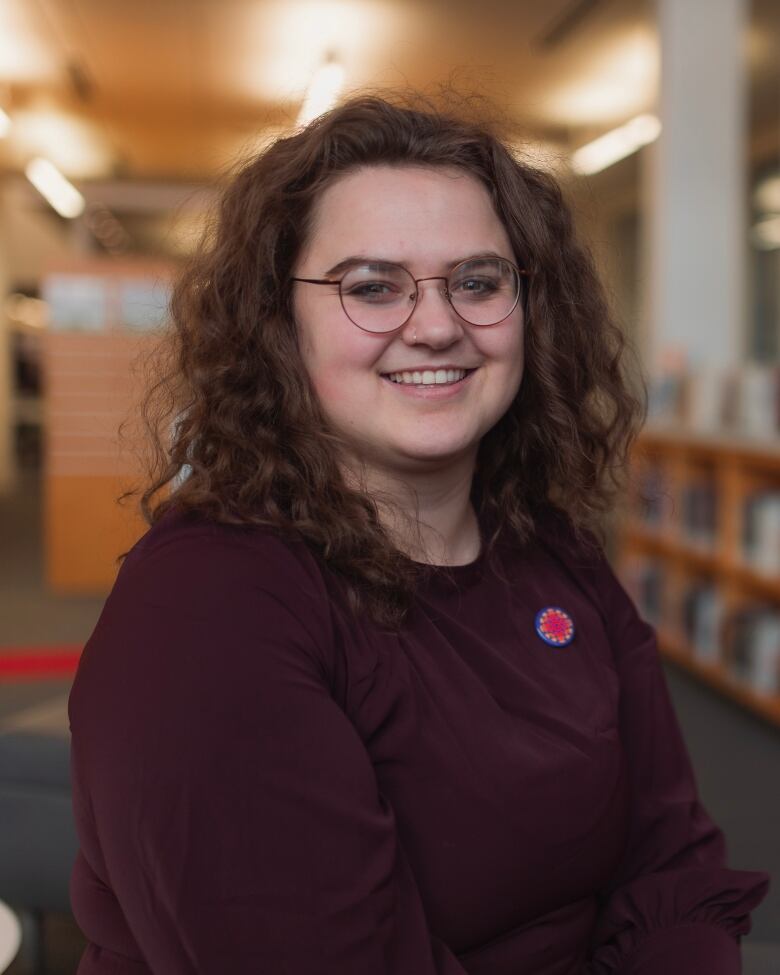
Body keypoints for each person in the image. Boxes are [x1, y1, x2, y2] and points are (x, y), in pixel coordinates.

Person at [67, 91, 770, 974]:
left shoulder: (554, 550)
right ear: (278, 325)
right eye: (371, 286)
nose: (436, 325)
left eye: (478, 281)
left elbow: (673, 863)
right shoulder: (206, 608)